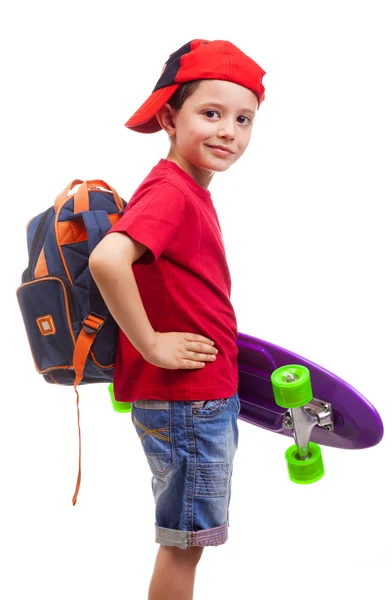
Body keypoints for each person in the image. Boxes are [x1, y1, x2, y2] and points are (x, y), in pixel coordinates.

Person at [89, 38, 266, 600]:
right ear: (170, 116)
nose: (228, 132)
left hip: (199, 395)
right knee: (183, 544)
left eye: (243, 118)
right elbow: (107, 259)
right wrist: (152, 345)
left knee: (190, 538)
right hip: (186, 400)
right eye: (210, 113)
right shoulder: (171, 190)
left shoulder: (188, 189)